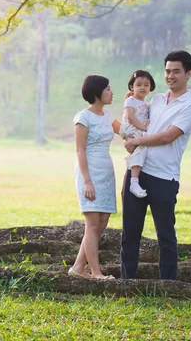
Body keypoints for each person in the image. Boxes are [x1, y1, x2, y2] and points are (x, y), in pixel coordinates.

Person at [120, 51, 191, 280]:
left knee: (165, 235)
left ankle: (168, 284)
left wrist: (136, 141)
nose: (170, 76)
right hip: (138, 171)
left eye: (176, 71)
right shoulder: (155, 100)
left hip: (165, 178)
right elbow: (134, 116)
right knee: (130, 234)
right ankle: (127, 283)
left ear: (188, 73)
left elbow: (167, 137)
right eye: (167, 71)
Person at [69, 74, 121, 280]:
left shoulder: (107, 116)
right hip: (88, 172)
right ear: (97, 92)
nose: (111, 92)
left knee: (102, 222)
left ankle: (77, 268)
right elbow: (80, 151)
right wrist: (87, 181)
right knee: (92, 224)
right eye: (107, 89)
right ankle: (96, 272)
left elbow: (126, 131)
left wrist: (134, 104)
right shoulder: (83, 117)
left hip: (106, 171)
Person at [119, 70, 156, 199]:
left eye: (146, 85)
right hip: (130, 128)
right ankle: (134, 182)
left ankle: (132, 161)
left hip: (137, 129)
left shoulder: (146, 104)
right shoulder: (130, 100)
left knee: (141, 148)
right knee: (143, 144)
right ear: (132, 87)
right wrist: (143, 127)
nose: (142, 88)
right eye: (138, 85)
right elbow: (130, 117)